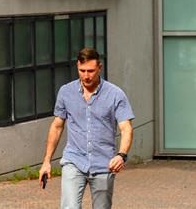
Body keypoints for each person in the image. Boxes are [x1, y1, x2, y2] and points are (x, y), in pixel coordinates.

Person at [39, 48, 135, 209]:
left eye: (90, 71)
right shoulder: (66, 92)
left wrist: (121, 155)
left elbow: (126, 129)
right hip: (74, 161)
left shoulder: (115, 94)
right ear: (77, 66)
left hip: (104, 164)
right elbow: (57, 126)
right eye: (82, 70)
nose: (86, 75)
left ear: (100, 67)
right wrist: (46, 161)